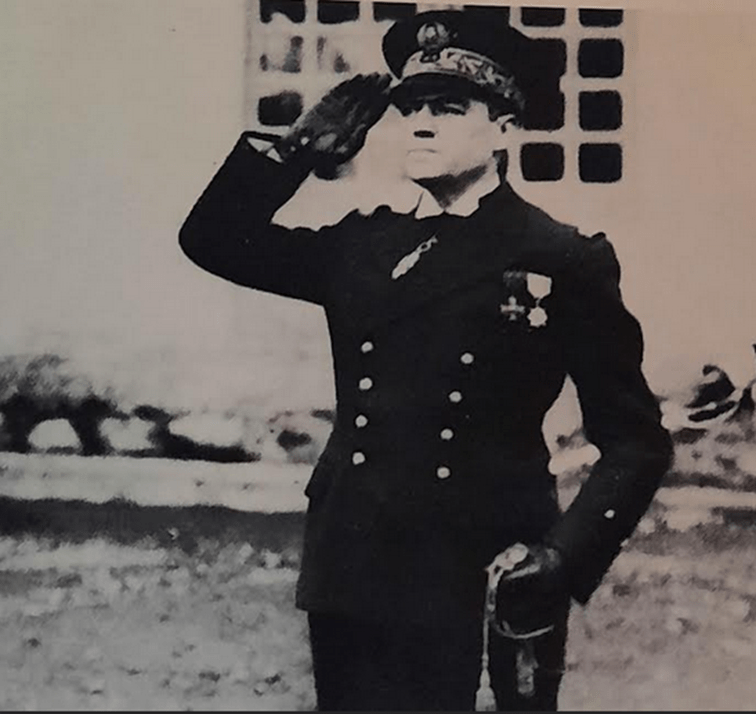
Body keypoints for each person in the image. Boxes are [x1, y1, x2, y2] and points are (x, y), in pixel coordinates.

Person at [180, 9, 673, 711]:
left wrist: (563, 557)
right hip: (351, 559)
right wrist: (294, 155)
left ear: (503, 129)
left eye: (448, 108)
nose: (420, 124)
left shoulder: (559, 257)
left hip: (474, 563)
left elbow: (635, 441)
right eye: (410, 107)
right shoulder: (362, 246)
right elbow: (213, 241)